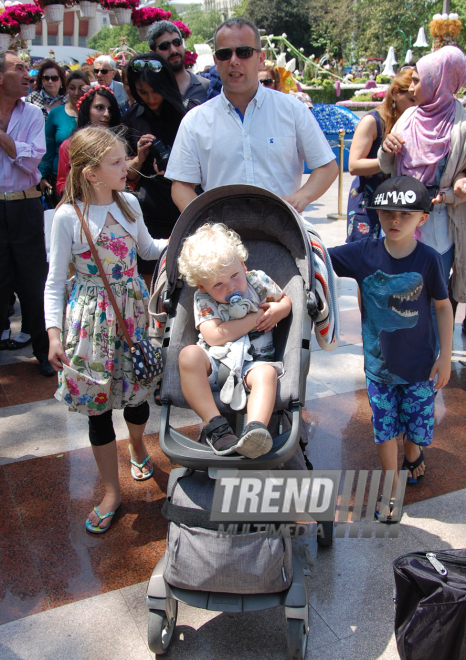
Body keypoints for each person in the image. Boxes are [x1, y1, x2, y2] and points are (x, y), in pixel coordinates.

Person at [44, 126, 167, 533]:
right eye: (116, 162)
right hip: (91, 320)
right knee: (97, 409)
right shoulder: (68, 216)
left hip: (132, 311)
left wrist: (185, 234)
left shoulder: (129, 202)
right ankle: (111, 492)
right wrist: (54, 333)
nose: (126, 166)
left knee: (136, 395)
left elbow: (147, 250)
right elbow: (54, 281)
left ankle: (136, 445)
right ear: (92, 172)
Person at [327, 176, 453, 522]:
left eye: (404, 214)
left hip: (420, 366)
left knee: (417, 426)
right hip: (379, 368)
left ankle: (412, 453)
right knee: (384, 428)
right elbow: (318, 257)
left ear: (422, 218)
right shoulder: (362, 253)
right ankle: (391, 483)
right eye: (386, 213)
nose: (395, 220)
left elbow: (443, 305)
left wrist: (445, 356)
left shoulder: (429, 259)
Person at [165, 17, 338, 214]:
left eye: (244, 52)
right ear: (215, 61)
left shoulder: (291, 109)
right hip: (222, 236)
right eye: (224, 54)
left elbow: (327, 166)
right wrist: (204, 220)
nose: (234, 61)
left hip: (282, 232)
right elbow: (181, 185)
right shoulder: (195, 121)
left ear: (261, 58)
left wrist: (302, 197)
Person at [177, 223, 292, 458]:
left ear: (242, 265)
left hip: (254, 363)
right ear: (203, 286)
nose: (230, 287)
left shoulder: (258, 282)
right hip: (216, 362)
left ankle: (256, 429)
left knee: (267, 375)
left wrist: (280, 310)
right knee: (188, 355)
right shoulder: (204, 299)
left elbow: (286, 300)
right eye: (218, 284)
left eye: (234, 276)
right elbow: (214, 336)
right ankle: (216, 427)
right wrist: (258, 316)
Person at [378, 46, 466, 302]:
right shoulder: (409, 117)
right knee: (399, 296)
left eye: (418, 81)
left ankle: (437, 344)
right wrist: (387, 147)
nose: (412, 88)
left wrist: (451, 191)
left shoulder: (460, 125)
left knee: (435, 298)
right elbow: (388, 166)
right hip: (401, 220)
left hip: (439, 224)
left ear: (440, 81)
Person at [0, 50, 54, 377]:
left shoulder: (33, 113)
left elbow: (31, 160)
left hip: (26, 207)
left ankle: (44, 353)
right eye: (18, 68)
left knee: (34, 286)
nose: (27, 73)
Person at [123, 54, 191, 289]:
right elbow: (127, 175)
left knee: (189, 271)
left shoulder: (188, 113)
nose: (151, 98)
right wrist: (140, 158)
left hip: (186, 204)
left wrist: (177, 168)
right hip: (149, 208)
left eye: (155, 91)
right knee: (151, 277)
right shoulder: (131, 118)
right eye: (142, 92)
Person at [347, 68, 415, 241]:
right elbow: (354, 166)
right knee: (364, 258)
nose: (416, 106)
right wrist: (386, 161)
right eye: (411, 100)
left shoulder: (412, 123)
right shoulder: (373, 121)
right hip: (367, 204)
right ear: (395, 93)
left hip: (396, 205)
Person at [56, 85, 121, 196]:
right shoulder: (69, 145)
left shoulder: (119, 144)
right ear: (86, 110)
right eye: (99, 107)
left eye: (110, 109)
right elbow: (61, 184)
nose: (106, 114)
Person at [39, 70, 89, 205]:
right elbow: (48, 148)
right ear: (66, 89)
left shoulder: (94, 113)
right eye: (72, 88)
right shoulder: (56, 113)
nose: (76, 92)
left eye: (81, 88)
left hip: (89, 178)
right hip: (60, 177)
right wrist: (43, 176)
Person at [146, 20, 209, 103]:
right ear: (153, 54)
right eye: (165, 46)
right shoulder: (151, 93)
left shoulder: (207, 87)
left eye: (177, 42)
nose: (173, 50)